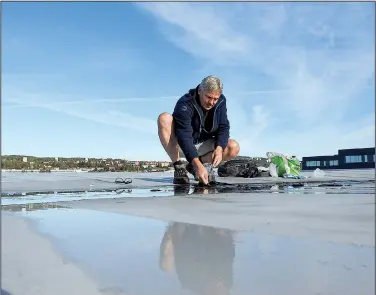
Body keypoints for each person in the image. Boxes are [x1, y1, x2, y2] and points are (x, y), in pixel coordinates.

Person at [157, 75, 240, 185]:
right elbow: (184, 136)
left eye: (215, 99)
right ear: (200, 90)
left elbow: (224, 126)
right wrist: (196, 163)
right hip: (181, 145)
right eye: (209, 97)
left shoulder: (221, 101)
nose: (211, 102)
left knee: (233, 147)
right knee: (164, 118)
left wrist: (219, 148)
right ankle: (179, 168)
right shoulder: (185, 103)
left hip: (204, 145)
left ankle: (194, 166)